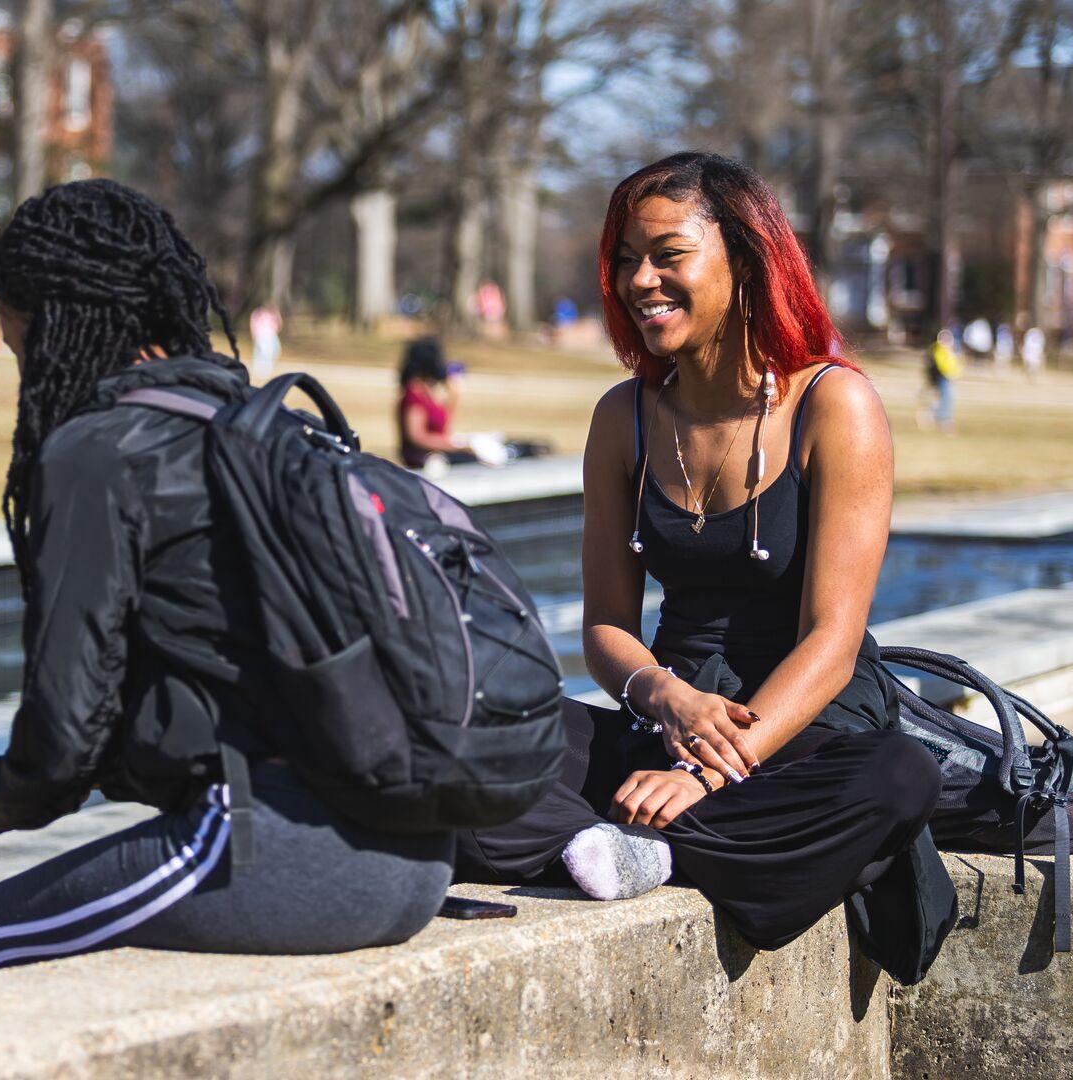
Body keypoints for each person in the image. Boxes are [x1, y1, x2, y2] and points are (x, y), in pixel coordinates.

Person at [0, 179, 453, 980]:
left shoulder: (98, 454)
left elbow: (62, 741)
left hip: (284, 848)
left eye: (21, 348)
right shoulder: (263, 422)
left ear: (47, 323)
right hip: (418, 854)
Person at [455, 152, 955, 985]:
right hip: (670, 713)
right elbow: (606, 627)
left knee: (898, 780)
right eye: (623, 260)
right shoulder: (625, 418)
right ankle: (630, 848)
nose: (638, 279)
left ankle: (643, 852)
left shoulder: (835, 406)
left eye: (666, 254)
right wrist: (666, 697)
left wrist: (705, 770)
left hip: (798, 731)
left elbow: (833, 641)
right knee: (471, 738)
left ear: (744, 257)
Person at [396, 337, 511, 471]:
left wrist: (454, 396)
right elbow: (417, 436)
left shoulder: (427, 393)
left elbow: (444, 429)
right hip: (427, 459)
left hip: (438, 452)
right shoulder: (414, 395)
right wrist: (456, 446)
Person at [922, 329, 960, 433]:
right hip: (943, 378)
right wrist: (949, 374)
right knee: (946, 399)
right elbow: (942, 365)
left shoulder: (947, 350)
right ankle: (943, 419)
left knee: (944, 399)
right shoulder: (939, 349)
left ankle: (930, 415)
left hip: (947, 378)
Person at [248, 304, 282, 381]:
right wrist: (254, 335)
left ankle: (264, 370)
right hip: (262, 336)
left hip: (271, 335)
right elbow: (253, 325)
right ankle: (262, 372)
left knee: (275, 351)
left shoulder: (271, 314)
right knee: (264, 354)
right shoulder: (257, 314)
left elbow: (279, 323)